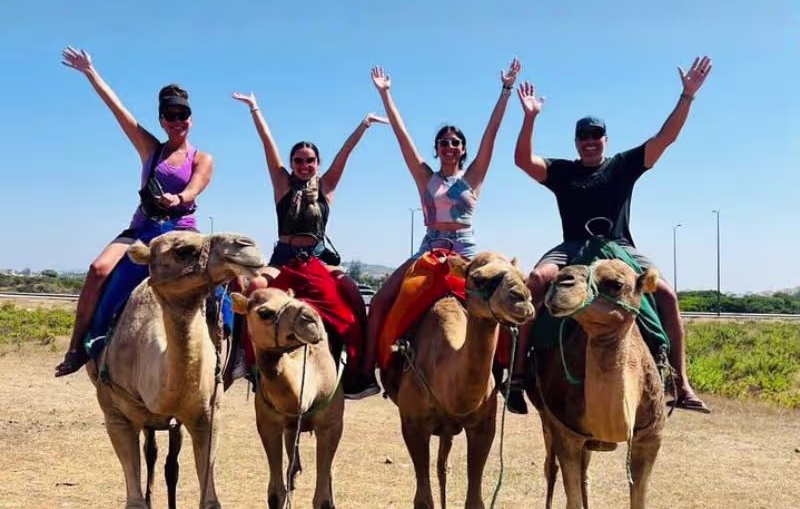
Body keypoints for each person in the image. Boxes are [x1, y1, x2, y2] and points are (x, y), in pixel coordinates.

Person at [507, 54, 713, 414]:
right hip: (572, 247)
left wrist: (688, 96)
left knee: (666, 295)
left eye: (595, 135)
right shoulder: (563, 171)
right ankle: (518, 373)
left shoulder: (622, 166)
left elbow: (665, 138)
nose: (589, 141)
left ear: (605, 139)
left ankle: (680, 382)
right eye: (583, 136)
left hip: (619, 248)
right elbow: (523, 160)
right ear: (575, 142)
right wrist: (529, 117)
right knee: (536, 281)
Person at [55, 47, 213, 377]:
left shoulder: (201, 158)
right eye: (170, 115)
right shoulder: (150, 149)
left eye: (182, 114)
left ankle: (229, 358)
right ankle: (78, 347)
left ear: (191, 118)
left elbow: (196, 187)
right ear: (161, 120)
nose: (177, 121)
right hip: (142, 229)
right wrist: (90, 72)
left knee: (222, 284)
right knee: (98, 270)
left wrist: (179, 197)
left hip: (181, 230)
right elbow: (119, 110)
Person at [364, 59, 521, 375]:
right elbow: (401, 134)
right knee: (381, 301)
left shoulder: (474, 177)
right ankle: (367, 370)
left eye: (455, 142)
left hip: (466, 251)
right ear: (436, 149)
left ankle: (509, 374)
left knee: (506, 300)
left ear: (463, 150)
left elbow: (492, 134)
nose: (449, 146)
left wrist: (506, 90)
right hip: (429, 249)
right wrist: (386, 95)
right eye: (443, 142)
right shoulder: (425, 177)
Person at [232, 90, 387, 398]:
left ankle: (360, 369)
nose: (304, 165)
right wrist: (255, 109)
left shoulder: (326, 187)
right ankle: (243, 359)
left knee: (354, 295)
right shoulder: (282, 185)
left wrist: (364, 125)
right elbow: (268, 144)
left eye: (310, 161)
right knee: (252, 289)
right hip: (284, 257)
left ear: (318, 163)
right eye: (299, 161)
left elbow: (345, 153)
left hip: (317, 257)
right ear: (291, 164)